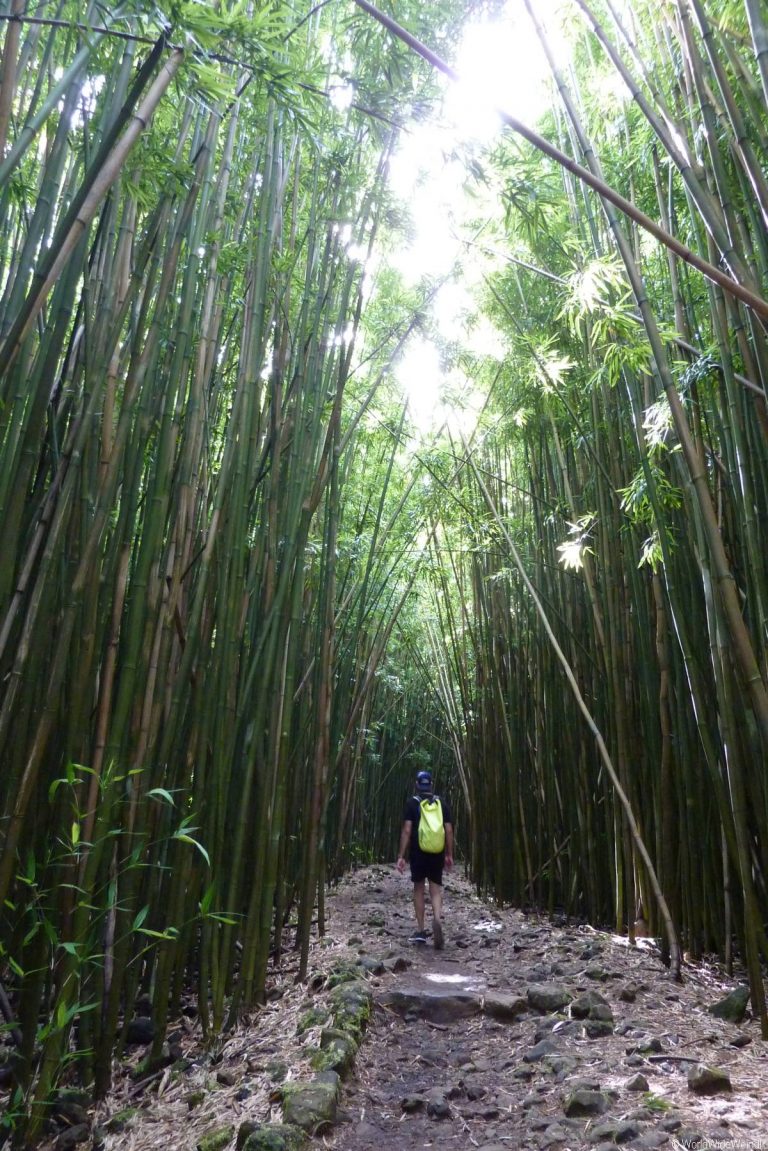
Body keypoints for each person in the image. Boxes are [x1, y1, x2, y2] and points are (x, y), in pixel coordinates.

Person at [396, 770, 454, 948]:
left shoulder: (412, 804)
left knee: (419, 888)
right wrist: (449, 854)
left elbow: (407, 830)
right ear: (431, 784)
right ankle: (436, 918)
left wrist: (401, 856)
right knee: (435, 889)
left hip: (418, 852)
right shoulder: (441, 803)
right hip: (436, 851)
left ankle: (421, 931)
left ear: (416, 784)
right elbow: (449, 830)